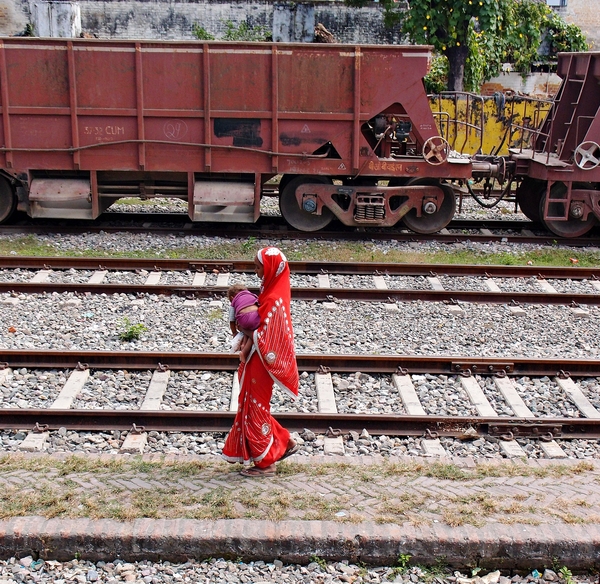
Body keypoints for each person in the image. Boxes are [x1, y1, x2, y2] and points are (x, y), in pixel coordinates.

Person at [222, 247, 300, 477]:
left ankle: (266, 464)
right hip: (257, 358)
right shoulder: (271, 291)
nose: (256, 272)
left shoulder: (274, 298)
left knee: (255, 407)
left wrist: (242, 327)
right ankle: (283, 441)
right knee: (251, 405)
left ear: (271, 269)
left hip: (262, 362)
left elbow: (267, 334)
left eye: (258, 267)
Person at [227, 284, 260, 363]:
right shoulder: (252, 295)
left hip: (243, 319)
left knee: (244, 327)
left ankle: (243, 350)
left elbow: (232, 320)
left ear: (232, 297)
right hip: (256, 317)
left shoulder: (234, 301)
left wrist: (234, 332)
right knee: (252, 329)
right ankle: (245, 349)